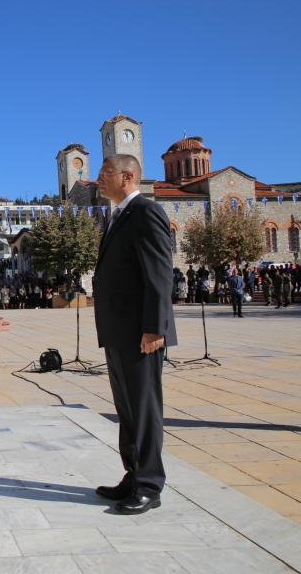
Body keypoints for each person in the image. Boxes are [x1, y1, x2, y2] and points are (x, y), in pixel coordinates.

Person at [92, 154, 177, 515]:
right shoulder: (117, 216)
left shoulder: (145, 212)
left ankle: (149, 485)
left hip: (140, 332)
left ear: (127, 177)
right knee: (127, 408)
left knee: (144, 408)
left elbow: (160, 273)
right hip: (118, 330)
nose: (99, 179)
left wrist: (155, 327)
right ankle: (134, 473)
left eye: (105, 173)